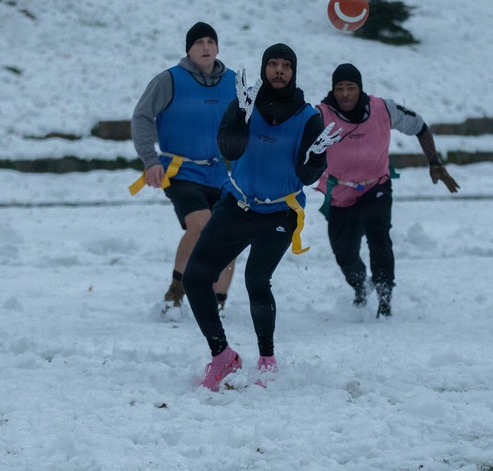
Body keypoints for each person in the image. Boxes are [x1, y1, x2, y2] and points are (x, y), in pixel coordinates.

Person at [182, 43, 341, 391]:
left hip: (280, 212)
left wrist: (316, 159)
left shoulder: (308, 117)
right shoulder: (243, 105)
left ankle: (267, 357)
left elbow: (308, 175)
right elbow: (229, 150)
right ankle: (222, 355)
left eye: (286, 65)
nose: (279, 70)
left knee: (256, 279)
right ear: (263, 68)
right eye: (273, 64)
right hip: (236, 207)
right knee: (194, 278)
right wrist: (240, 115)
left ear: (294, 71)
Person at [315, 63, 459, 318]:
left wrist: (434, 161)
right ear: (332, 90)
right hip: (340, 192)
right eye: (340, 89)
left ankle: (384, 296)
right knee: (344, 253)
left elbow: (420, 126)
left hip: (376, 186)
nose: (346, 94)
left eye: (351, 88)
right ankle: (360, 285)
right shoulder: (321, 115)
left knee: (379, 237)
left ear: (360, 89)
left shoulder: (383, 108)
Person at [130, 22, 238, 315]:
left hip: (218, 172)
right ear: (188, 49)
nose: (206, 47)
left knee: (230, 234)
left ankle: (217, 303)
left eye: (211, 42)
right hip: (180, 171)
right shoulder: (170, 80)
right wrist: (150, 160)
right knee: (202, 225)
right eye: (199, 42)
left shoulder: (234, 82)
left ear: (217, 47)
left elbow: (253, 122)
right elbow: (141, 117)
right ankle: (176, 291)